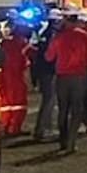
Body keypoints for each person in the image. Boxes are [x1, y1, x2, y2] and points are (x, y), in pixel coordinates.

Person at [45, 9, 87, 154]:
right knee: (76, 110)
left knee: (63, 110)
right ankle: (72, 143)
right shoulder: (84, 37)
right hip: (79, 77)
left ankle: (63, 141)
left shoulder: (58, 37)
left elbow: (49, 57)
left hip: (62, 77)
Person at [31, 8, 62, 142]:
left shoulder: (44, 32)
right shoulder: (53, 35)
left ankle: (43, 129)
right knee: (49, 101)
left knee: (47, 100)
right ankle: (43, 130)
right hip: (50, 71)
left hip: (43, 70)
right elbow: (51, 55)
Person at [0, 21, 31, 136]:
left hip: (3, 77)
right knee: (19, 104)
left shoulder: (4, 43)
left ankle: (5, 126)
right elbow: (25, 62)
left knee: (5, 103)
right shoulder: (22, 44)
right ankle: (14, 128)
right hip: (16, 77)